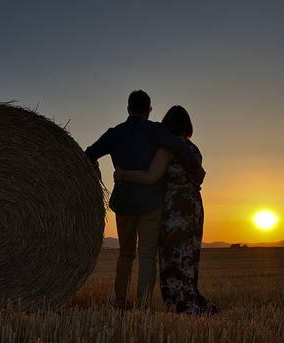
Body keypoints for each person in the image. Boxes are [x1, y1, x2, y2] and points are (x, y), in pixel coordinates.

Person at [85, 91, 205, 310]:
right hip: (150, 203)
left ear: (128, 108)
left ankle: (120, 303)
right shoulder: (155, 130)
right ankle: (142, 307)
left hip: (124, 203)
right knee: (147, 256)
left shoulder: (114, 133)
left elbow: (88, 154)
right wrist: (196, 168)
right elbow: (178, 146)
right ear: (148, 109)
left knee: (126, 254)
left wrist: (96, 171)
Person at [114, 106, 218, 315]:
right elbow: (200, 177)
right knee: (188, 257)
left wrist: (124, 174)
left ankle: (181, 304)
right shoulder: (193, 149)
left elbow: (151, 177)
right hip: (194, 207)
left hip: (174, 208)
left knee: (171, 257)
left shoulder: (166, 149)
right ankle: (191, 298)